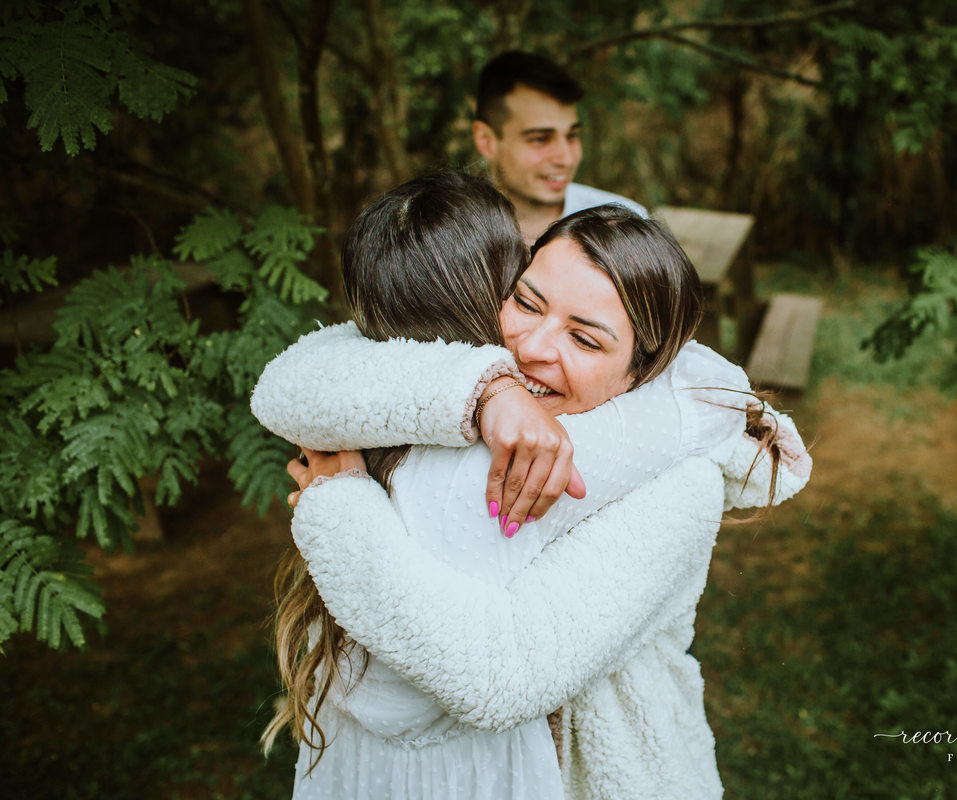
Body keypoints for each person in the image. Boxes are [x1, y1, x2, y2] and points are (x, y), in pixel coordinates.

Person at [253, 176, 812, 799]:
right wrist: (488, 390)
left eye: (584, 337)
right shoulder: (474, 403)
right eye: (525, 301)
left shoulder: (678, 486)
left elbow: (500, 675)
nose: (530, 348)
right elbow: (298, 375)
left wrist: (340, 506)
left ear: (645, 370)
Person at [472, 50, 648, 245]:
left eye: (572, 136)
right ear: (486, 141)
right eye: (540, 139)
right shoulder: (453, 229)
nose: (566, 159)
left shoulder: (622, 225)